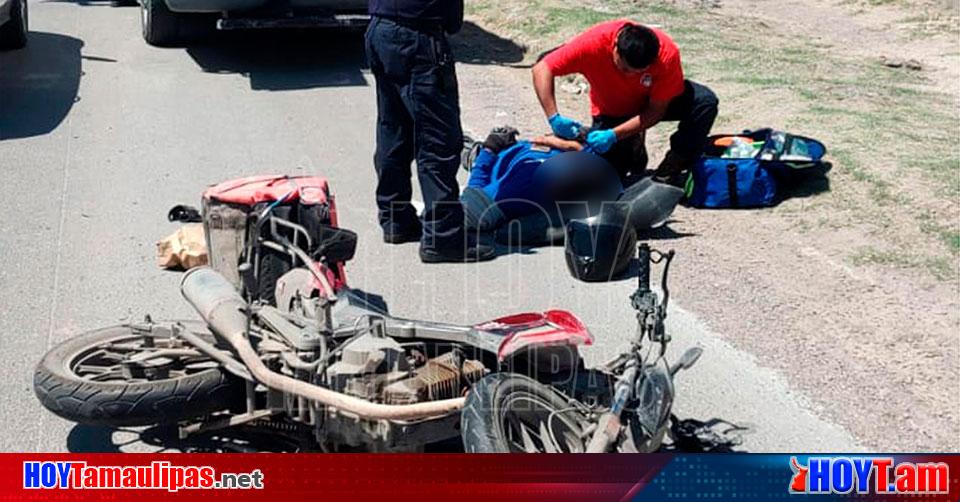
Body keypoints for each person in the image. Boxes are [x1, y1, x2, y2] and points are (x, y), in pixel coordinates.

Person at [365, 0, 495, 263]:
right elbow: (452, 21)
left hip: (380, 29)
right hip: (418, 39)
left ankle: (395, 219)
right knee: (438, 140)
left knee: (395, 129)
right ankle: (443, 238)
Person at [532, 19, 719, 186]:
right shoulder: (593, 43)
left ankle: (672, 167)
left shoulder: (666, 56)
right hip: (614, 110)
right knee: (604, 179)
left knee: (704, 102)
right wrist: (554, 117)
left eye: (637, 72)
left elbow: (655, 111)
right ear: (614, 48)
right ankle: (631, 144)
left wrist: (614, 135)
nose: (629, 75)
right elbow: (542, 69)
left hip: (652, 102)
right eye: (623, 68)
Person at [460, 127, 623, 235]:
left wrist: (489, 149)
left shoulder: (524, 187)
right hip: (503, 154)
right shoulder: (575, 152)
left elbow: (473, 209)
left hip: (490, 162)